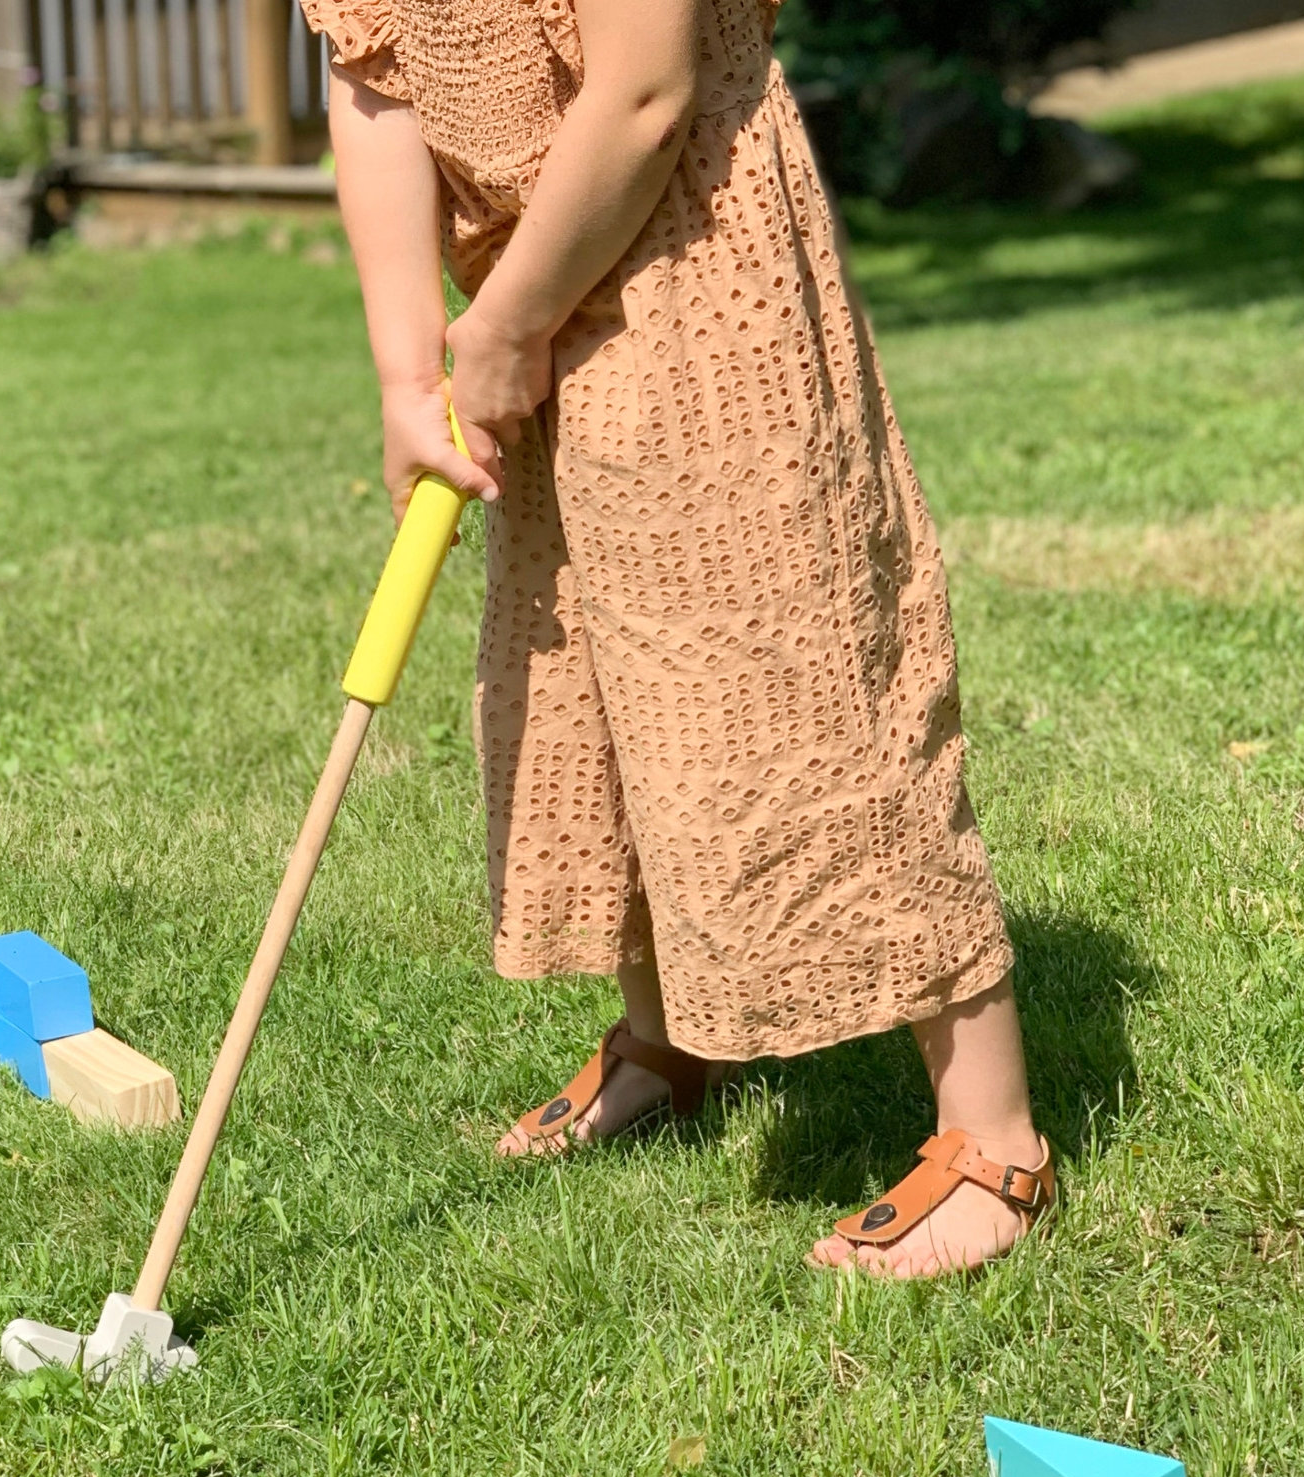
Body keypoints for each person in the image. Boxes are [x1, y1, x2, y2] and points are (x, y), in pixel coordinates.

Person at [314, 0, 1055, 1278]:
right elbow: (370, 78)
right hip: (525, 301)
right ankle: (669, 1040)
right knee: (599, 683)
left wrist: (503, 329)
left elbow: (645, 95)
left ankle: (993, 1137)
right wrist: (406, 372)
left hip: (699, 270)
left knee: (803, 677)